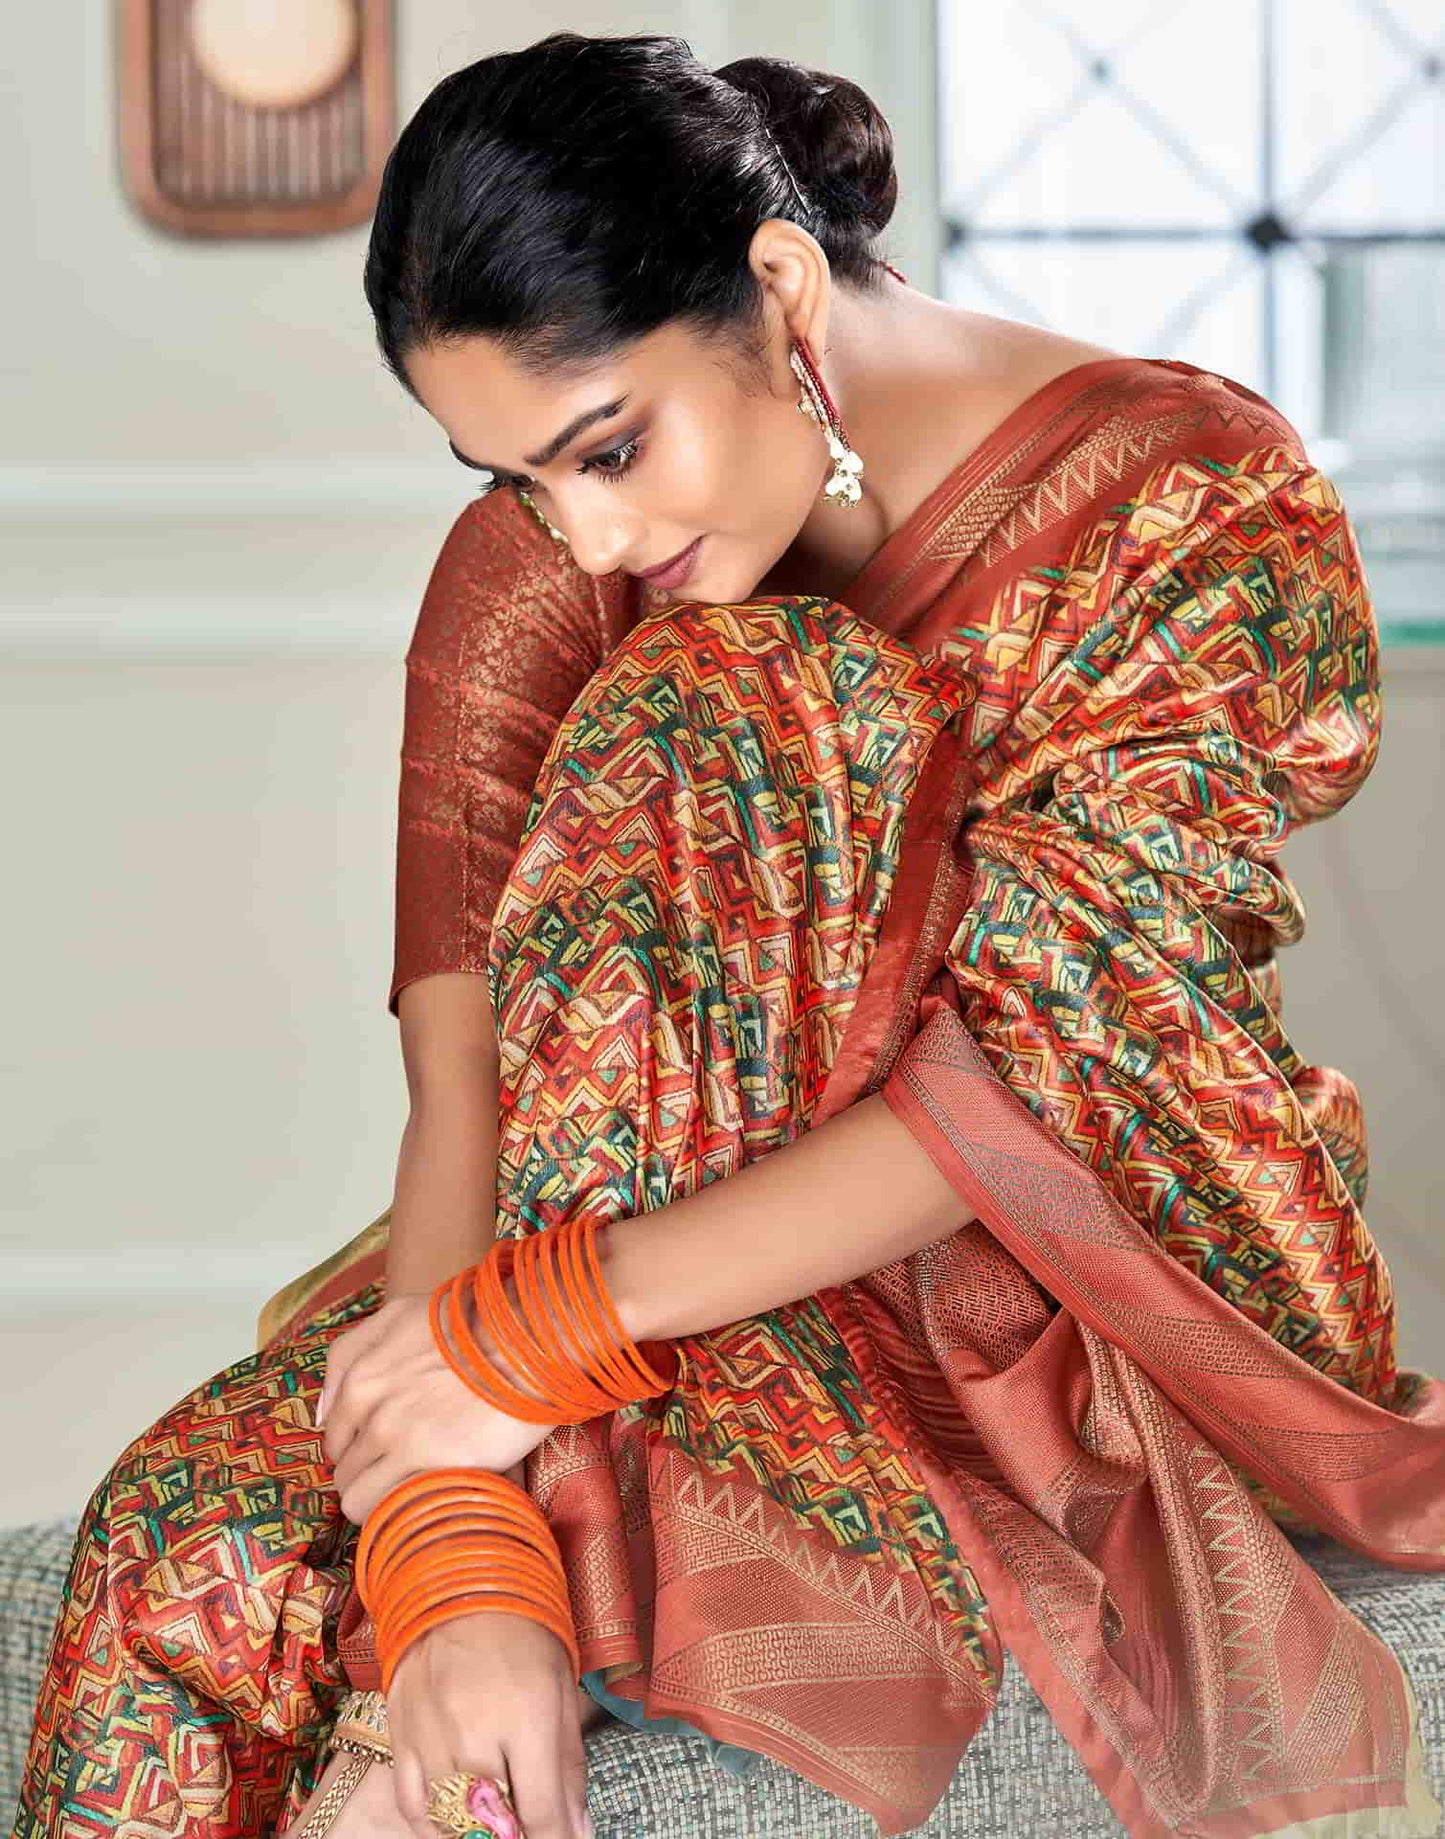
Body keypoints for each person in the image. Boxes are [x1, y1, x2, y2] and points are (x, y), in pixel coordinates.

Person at [16, 29, 1445, 1839]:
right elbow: (465, 1082)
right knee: (189, 1528)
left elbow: (1041, 1073)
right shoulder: (547, 555)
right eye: (520, 476)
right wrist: (457, 1558)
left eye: (607, 446)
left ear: (777, 289)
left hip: (1091, 1240)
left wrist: (517, 1354)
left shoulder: (1195, 500)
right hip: (649, 1243)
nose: (586, 530)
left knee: (738, 693)